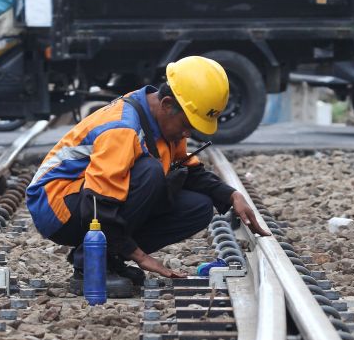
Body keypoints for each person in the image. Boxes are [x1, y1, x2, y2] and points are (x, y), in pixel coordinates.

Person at [26, 56, 270, 297]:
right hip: (57, 205)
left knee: (198, 208)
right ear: (166, 104)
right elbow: (98, 203)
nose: (188, 132)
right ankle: (90, 268)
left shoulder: (162, 121)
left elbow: (190, 171)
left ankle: (108, 259)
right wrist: (140, 256)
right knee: (150, 172)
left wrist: (231, 195)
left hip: (88, 201)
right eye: (187, 124)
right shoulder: (123, 128)